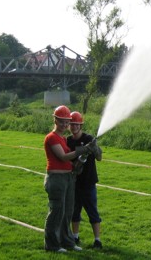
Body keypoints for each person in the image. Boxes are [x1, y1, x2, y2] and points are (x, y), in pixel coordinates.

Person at [43, 105, 96, 253]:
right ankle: (52, 245)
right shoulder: (51, 137)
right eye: (62, 121)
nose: (65, 125)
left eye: (67, 122)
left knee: (67, 212)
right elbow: (63, 157)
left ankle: (67, 242)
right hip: (57, 179)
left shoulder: (62, 139)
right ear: (55, 120)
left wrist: (79, 162)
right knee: (56, 212)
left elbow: (69, 160)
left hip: (68, 178)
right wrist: (83, 149)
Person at [66, 111, 103, 249]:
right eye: (71, 124)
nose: (74, 126)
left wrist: (95, 149)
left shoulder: (89, 138)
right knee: (74, 212)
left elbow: (99, 158)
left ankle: (97, 240)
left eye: (76, 124)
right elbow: (66, 158)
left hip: (88, 182)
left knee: (92, 211)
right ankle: (75, 237)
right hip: (74, 182)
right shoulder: (68, 141)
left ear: (80, 125)